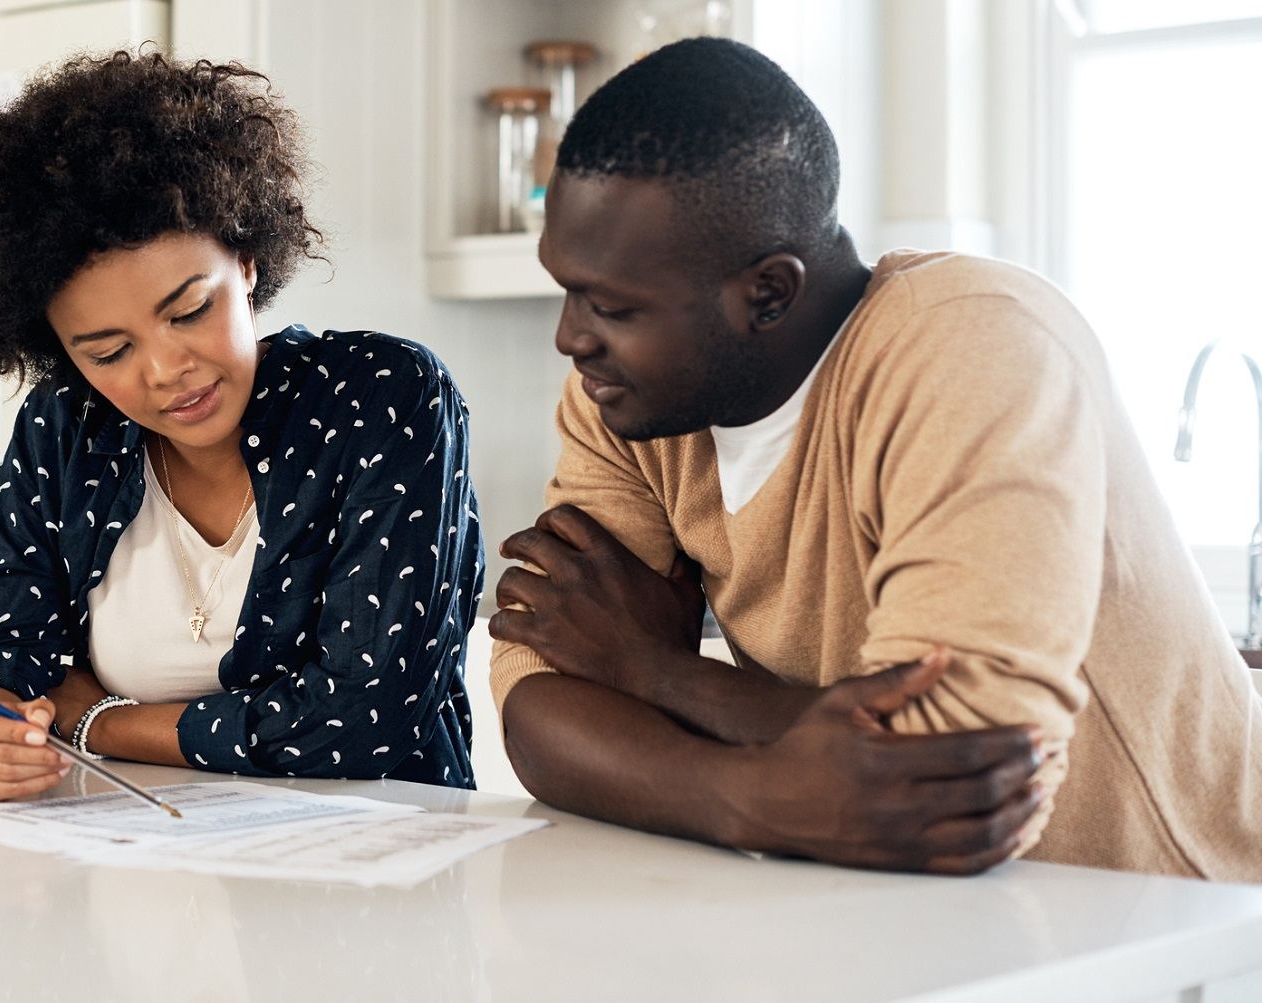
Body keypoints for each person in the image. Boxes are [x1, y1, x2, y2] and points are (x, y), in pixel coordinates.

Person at [489, 37, 1262, 879]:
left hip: (1179, 919)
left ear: (768, 293)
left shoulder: (972, 343)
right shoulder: (625, 399)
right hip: (921, 921)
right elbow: (538, 694)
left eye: (610, 306)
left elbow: (956, 764)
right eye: (566, 289)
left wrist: (655, 672)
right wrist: (746, 796)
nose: (571, 338)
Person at [0, 50, 484, 800]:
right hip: (116, 873)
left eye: (188, 311)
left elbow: (361, 719)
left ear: (244, 259)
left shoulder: (381, 399)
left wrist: (96, 722)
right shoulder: (64, 428)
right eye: (108, 351)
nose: (163, 370)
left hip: (360, 883)